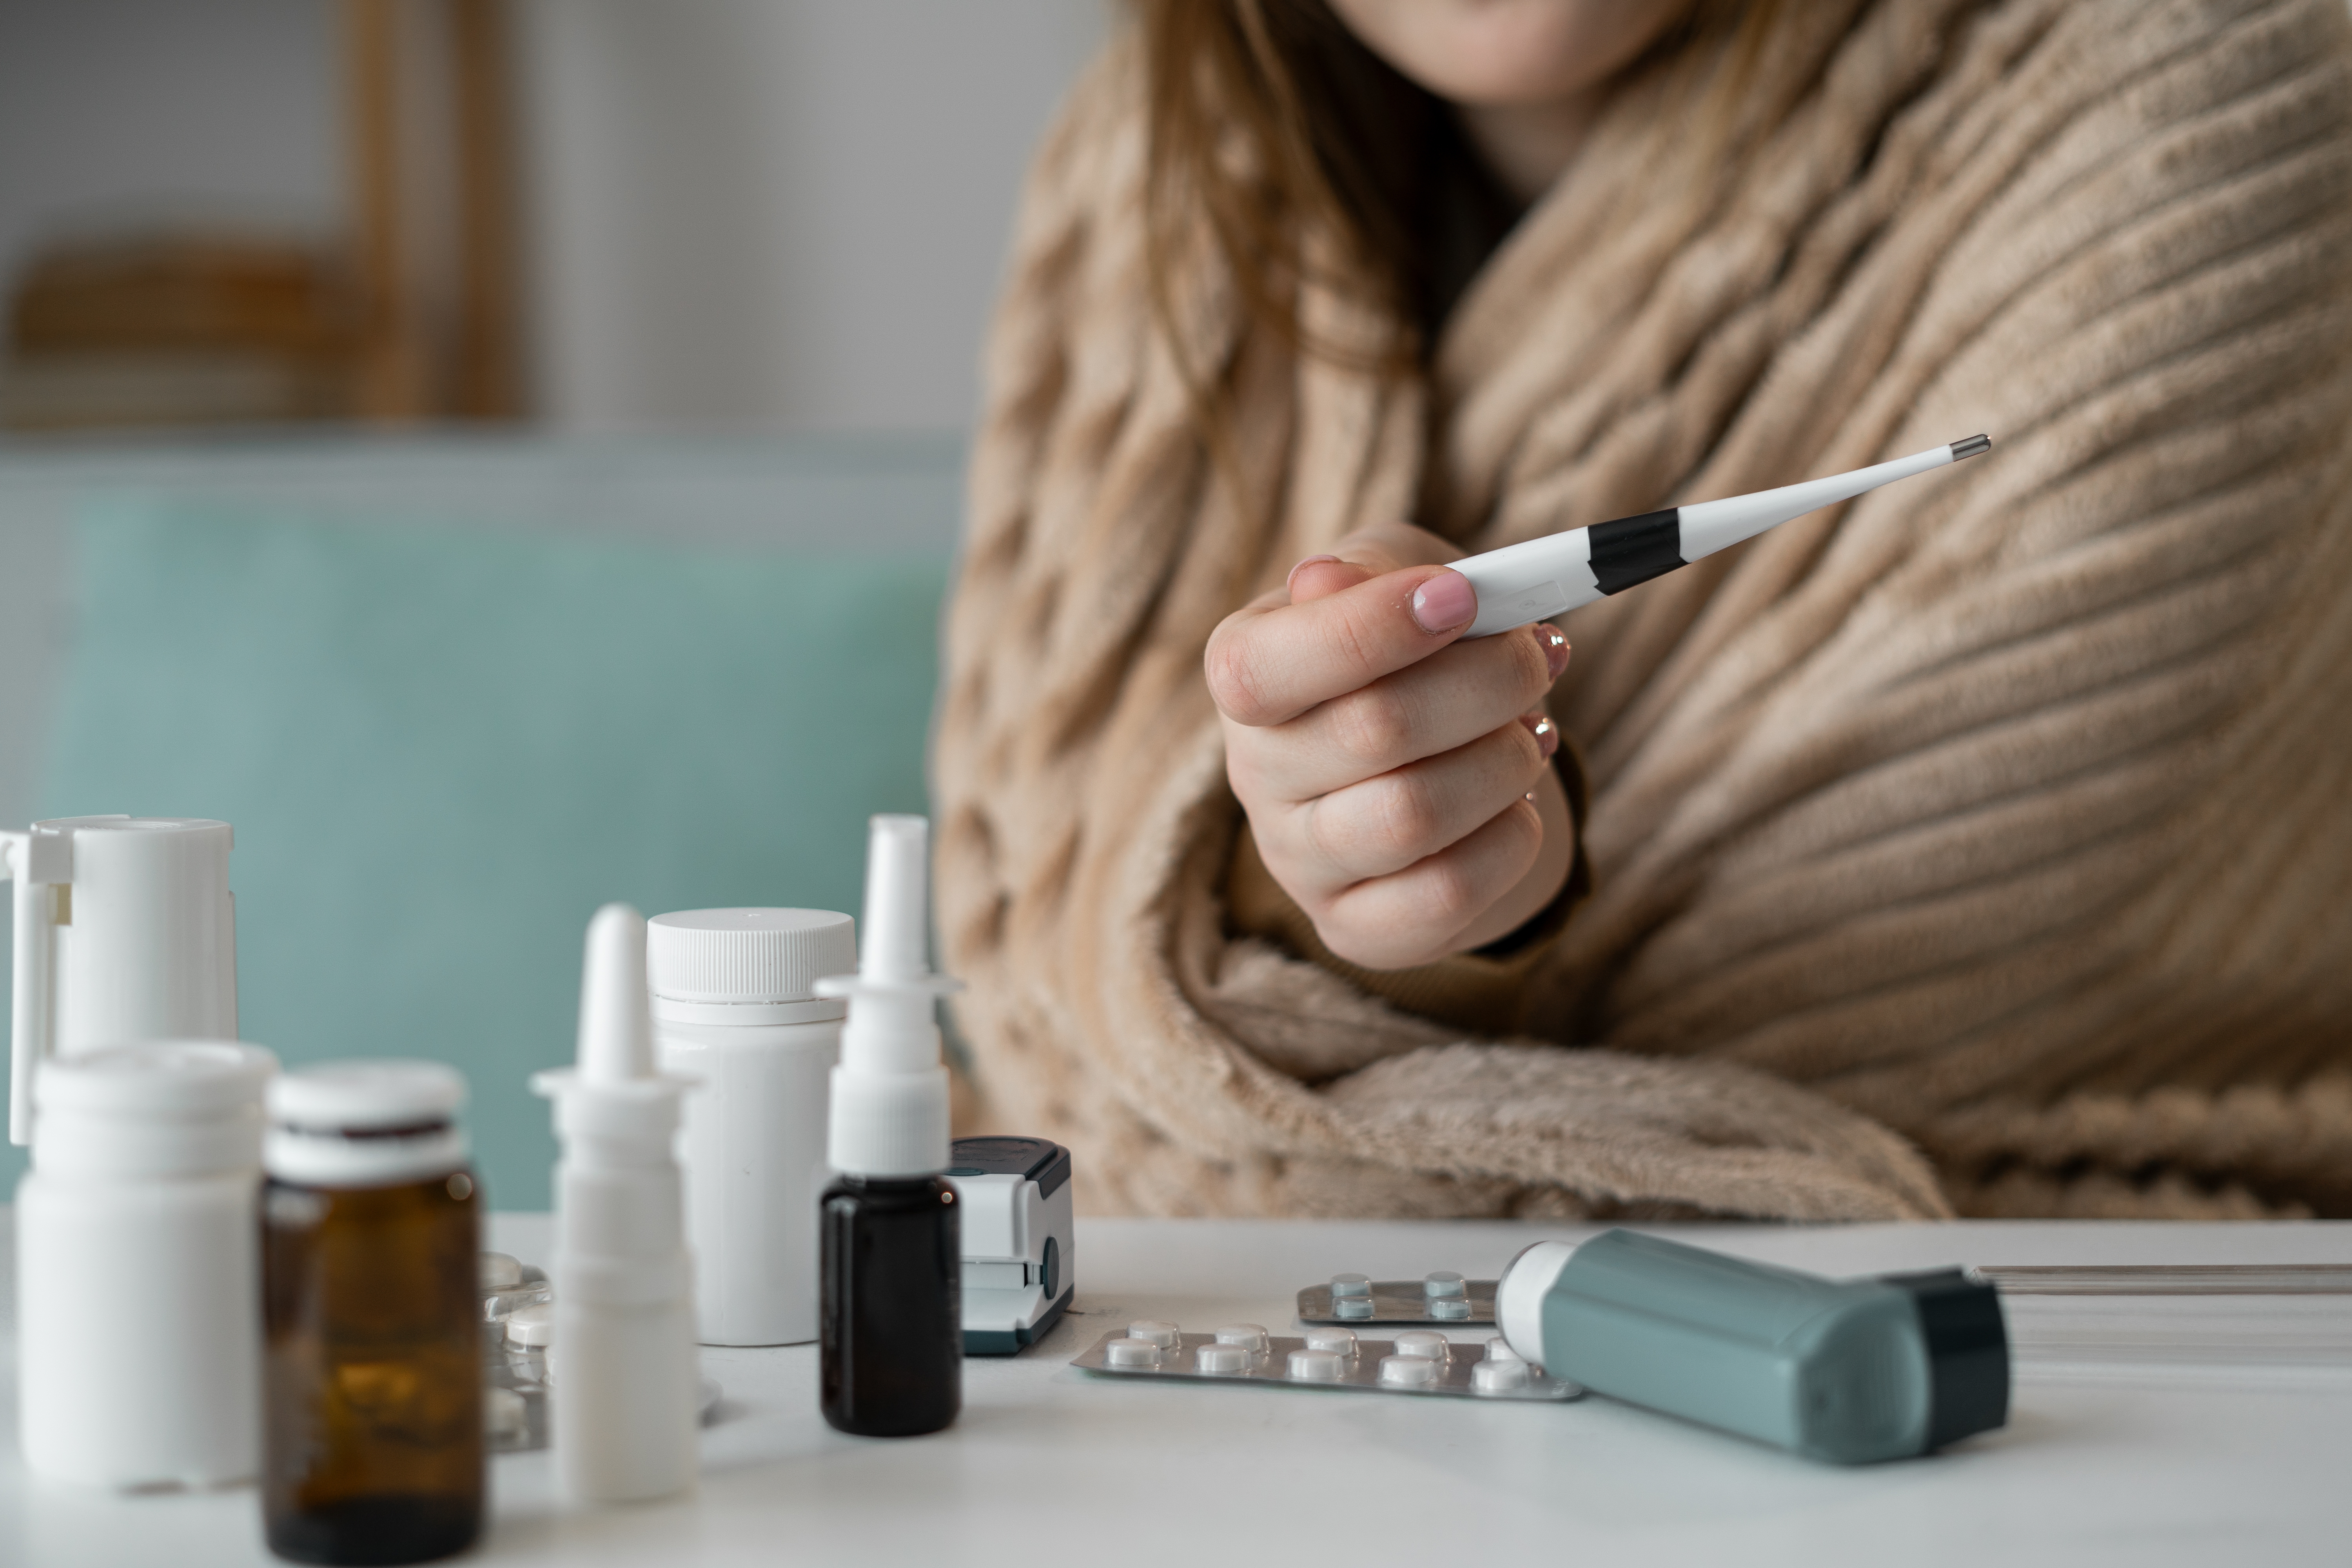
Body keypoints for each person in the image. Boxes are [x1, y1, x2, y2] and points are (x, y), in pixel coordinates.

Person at [935, 0, 2352, 1221]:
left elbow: (1822, 1038)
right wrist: (1358, 868)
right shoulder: (1147, 179)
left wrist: (1473, 887)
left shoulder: (2206, 107)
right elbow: (1052, 1002)